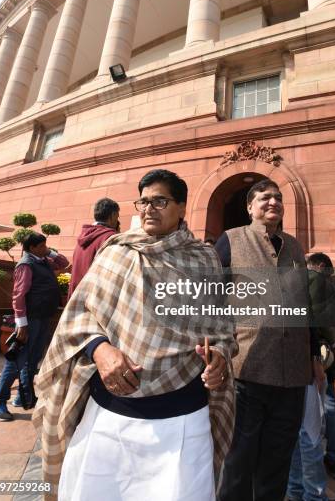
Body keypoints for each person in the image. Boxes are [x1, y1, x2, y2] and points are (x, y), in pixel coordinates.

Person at [33, 169, 237, 501]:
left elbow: (222, 331)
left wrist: (218, 359)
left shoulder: (205, 260)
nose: (148, 209)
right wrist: (100, 350)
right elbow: (80, 314)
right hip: (110, 415)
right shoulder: (117, 251)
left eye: (160, 200)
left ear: (183, 207)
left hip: (182, 420)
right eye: (143, 201)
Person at [216, 178, 324, 501]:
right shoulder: (230, 241)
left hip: (292, 375)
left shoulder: (294, 247)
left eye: (278, 198)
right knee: (238, 462)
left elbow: (306, 303)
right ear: (250, 207)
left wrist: (314, 357)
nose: (273, 202)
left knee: (276, 464)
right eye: (264, 198)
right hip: (246, 370)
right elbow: (211, 298)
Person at [0, 233, 69, 421]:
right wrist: (21, 325)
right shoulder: (26, 265)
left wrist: (49, 251)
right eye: (42, 245)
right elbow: (18, 296)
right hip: (29, 320)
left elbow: (64, 264)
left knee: (33, 360)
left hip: (42, 318)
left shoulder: (43, 260)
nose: (45, 248)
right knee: (17, 361)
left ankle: (23, 396)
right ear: (32, 248)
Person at [287, 253, 335, 501]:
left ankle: (296, 489)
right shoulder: (316, 281)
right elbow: (325, 324)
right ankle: (317, 488)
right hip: (313, 360)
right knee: (314, 424)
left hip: (291, 360)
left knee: (298, 428)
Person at [306, 253, 335, 483]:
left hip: (315, 352)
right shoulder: (324, 283)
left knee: (321, 407)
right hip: (322, 352)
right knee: (329, 404)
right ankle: (334, 458)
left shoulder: (313, 280)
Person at [68, 197, 119, 298]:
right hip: (92, 300)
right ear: (113, 215)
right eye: (117, 216)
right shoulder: (111, 237)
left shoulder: (83, 235)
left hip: (75, 296)